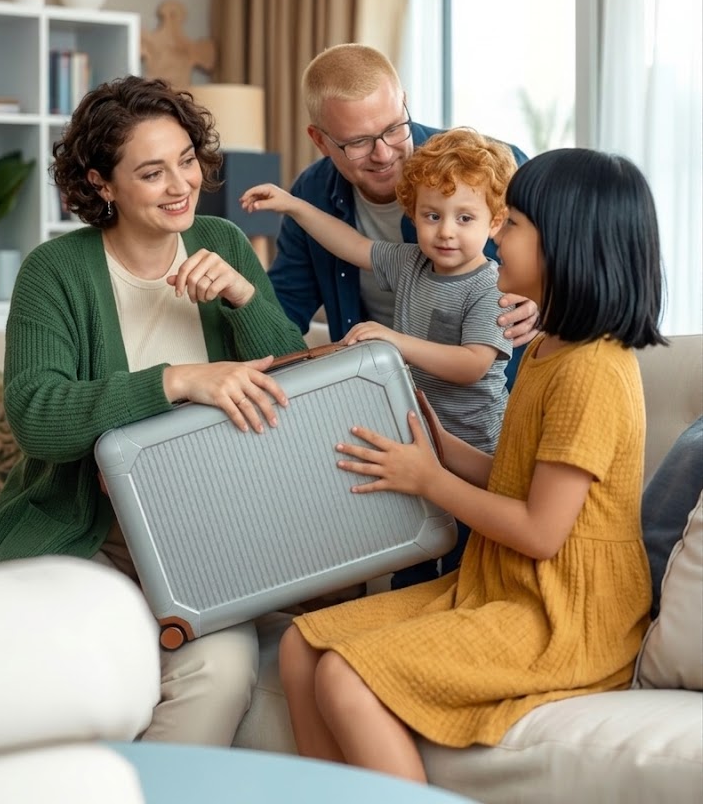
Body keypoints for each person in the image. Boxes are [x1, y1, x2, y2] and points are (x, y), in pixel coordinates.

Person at [278, 148, 665, 784]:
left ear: (563, 244)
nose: (495, 240)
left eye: (509, 225)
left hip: (561, 615)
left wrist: (429, 481)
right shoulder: (545, 350)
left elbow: (542, 531)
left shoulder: (594, 371)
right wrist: (441, 452)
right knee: (300, 646)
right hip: (501, 586)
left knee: (346, 678)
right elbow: (512, 478)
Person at [0, 75, 306, 747]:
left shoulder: (223, 242)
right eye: (152, 172)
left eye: (186, 160)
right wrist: (176, 380)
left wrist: (247, 298)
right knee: (91, 663)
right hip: (86, 537)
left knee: (223, 667)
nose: (181, 184)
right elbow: (37, 415)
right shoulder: (56, 271)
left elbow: (292, 394)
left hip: (199, 544)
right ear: (102, 183)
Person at [267, 44, 538, 393]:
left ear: (404, 103)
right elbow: (283, 312)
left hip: (496, 404)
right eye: (359, 142)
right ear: (320, 140)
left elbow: (580, 267)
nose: (383, 154)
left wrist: (546, 298)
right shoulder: (311, 194)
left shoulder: (495, 169)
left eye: (394, 128)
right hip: (385, 399)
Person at [242, 126, 518, 454]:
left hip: (481, 444)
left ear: (495, 223)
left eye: (465, 218)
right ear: (413, 215)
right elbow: (351, 244)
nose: (445, 231)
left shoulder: (492, 287)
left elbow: (471, 366)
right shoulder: (409, 262)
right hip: (421, 434)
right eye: (432, 216)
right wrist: (293, 205)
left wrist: (395, 341)